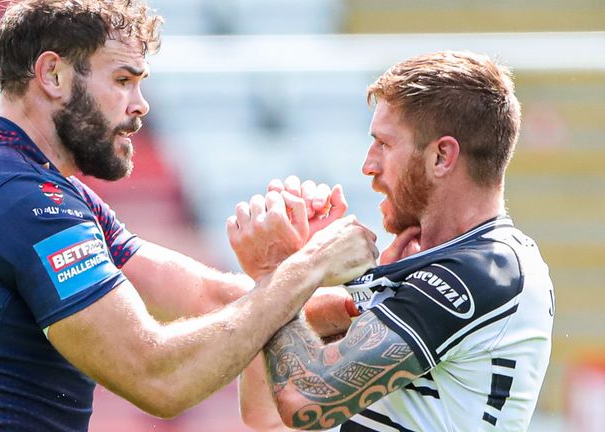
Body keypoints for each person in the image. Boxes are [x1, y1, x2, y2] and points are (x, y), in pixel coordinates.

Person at [0, 1, 380, 430]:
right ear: (52, 74)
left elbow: (206, 297)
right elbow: (159, 377)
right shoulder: (21, 197)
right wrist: (308, 265)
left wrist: (367, 304)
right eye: (122, 80)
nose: (141, 105)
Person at [235, 51, 555, 431]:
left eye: (384, 144)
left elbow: (306, 401)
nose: (368, 165)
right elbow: (264, 416)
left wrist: (282, 269)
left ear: (441, 156)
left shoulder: (486, 270)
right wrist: (301, 275)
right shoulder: (436, 267)